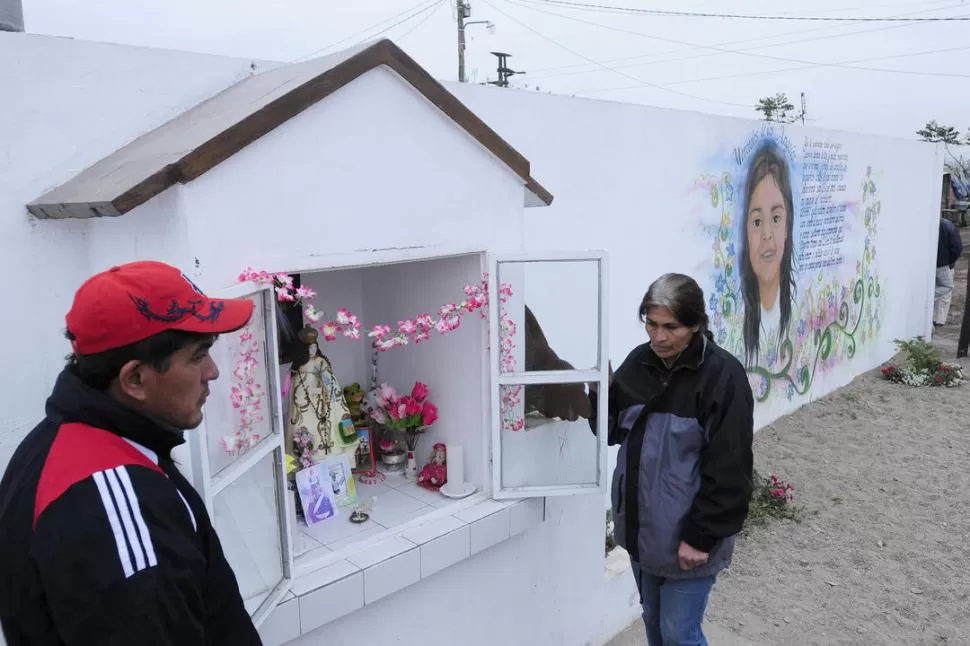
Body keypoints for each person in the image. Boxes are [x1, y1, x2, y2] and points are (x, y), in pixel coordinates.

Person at [0, 260, 263, 645]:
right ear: (135, 379)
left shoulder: (58, 441)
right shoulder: (118, 504)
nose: (213, 372)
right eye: (197, 356)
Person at [589, 273, 754, 646]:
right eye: (651, 323)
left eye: (671, 327)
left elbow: (730, 468)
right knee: (654, 625)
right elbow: (613, 431)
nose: (658, 337)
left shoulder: (722, 377)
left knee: (679, 634)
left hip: (688, 537)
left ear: (696, 325)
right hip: (641, 532)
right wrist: (600, 395)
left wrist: (701, 537)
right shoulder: (639, 362)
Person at [738, 142, 797, 366]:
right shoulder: (738, 321)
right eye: (757, 221)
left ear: (787, 225)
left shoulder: (794, 308)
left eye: (775, 218)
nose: (767, 234)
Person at [934, 216, 963, 328]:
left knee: (937, 287)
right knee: (946, 289)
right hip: (944, 264)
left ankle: (933, 318)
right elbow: (957, 247)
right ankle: (939, 320)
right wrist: (951, 261)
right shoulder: (948, 225)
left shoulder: (927, 224)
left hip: (929, 264)